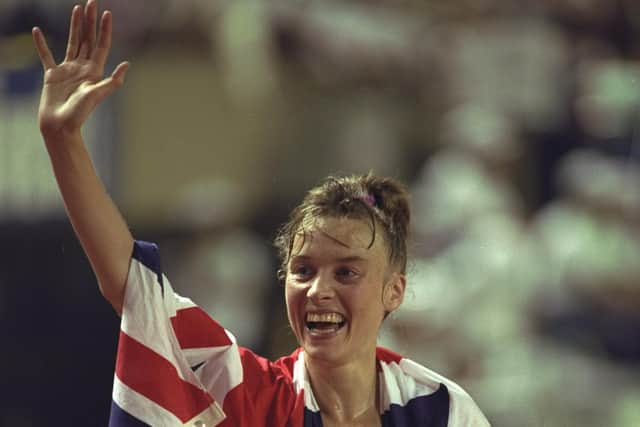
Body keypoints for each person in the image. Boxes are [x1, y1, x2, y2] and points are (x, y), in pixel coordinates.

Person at [33, 1, 491, 426]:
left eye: (347, 272)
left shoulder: (442, 409)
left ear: (395, 290)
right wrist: (64, 140)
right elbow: (131, 286)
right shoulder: (246, 393)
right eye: (303, 270)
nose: (318, 290)